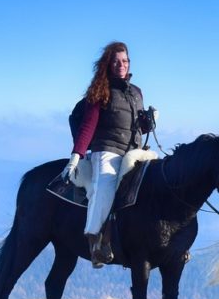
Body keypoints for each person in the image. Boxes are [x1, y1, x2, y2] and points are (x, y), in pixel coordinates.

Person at [60, 41, 155, 268]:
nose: (121, 65)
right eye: (116, 61)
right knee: (104, 187)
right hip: (107, 152)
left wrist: (147, 124)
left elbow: (137, 128)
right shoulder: (100, 91)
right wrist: (76, 156)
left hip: (134, 152)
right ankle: (96, 242)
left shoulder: (136, 92)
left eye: (125, 61)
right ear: (108, 64)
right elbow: (87, 127)